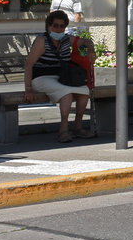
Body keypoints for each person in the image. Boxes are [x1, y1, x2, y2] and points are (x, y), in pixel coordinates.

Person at [24, 9, 95, 142]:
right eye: (55, 25)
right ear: (48, 26)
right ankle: (63, 130)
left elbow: (86, 41)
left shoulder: (66, 39)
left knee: (84, 91)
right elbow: (28, 64)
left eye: (62, 26)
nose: (58, 29)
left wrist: (91, 49)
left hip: (61, 77)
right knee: (66, 92)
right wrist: (28, 88)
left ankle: (78, 128)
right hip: (41, 78)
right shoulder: (42, 40)